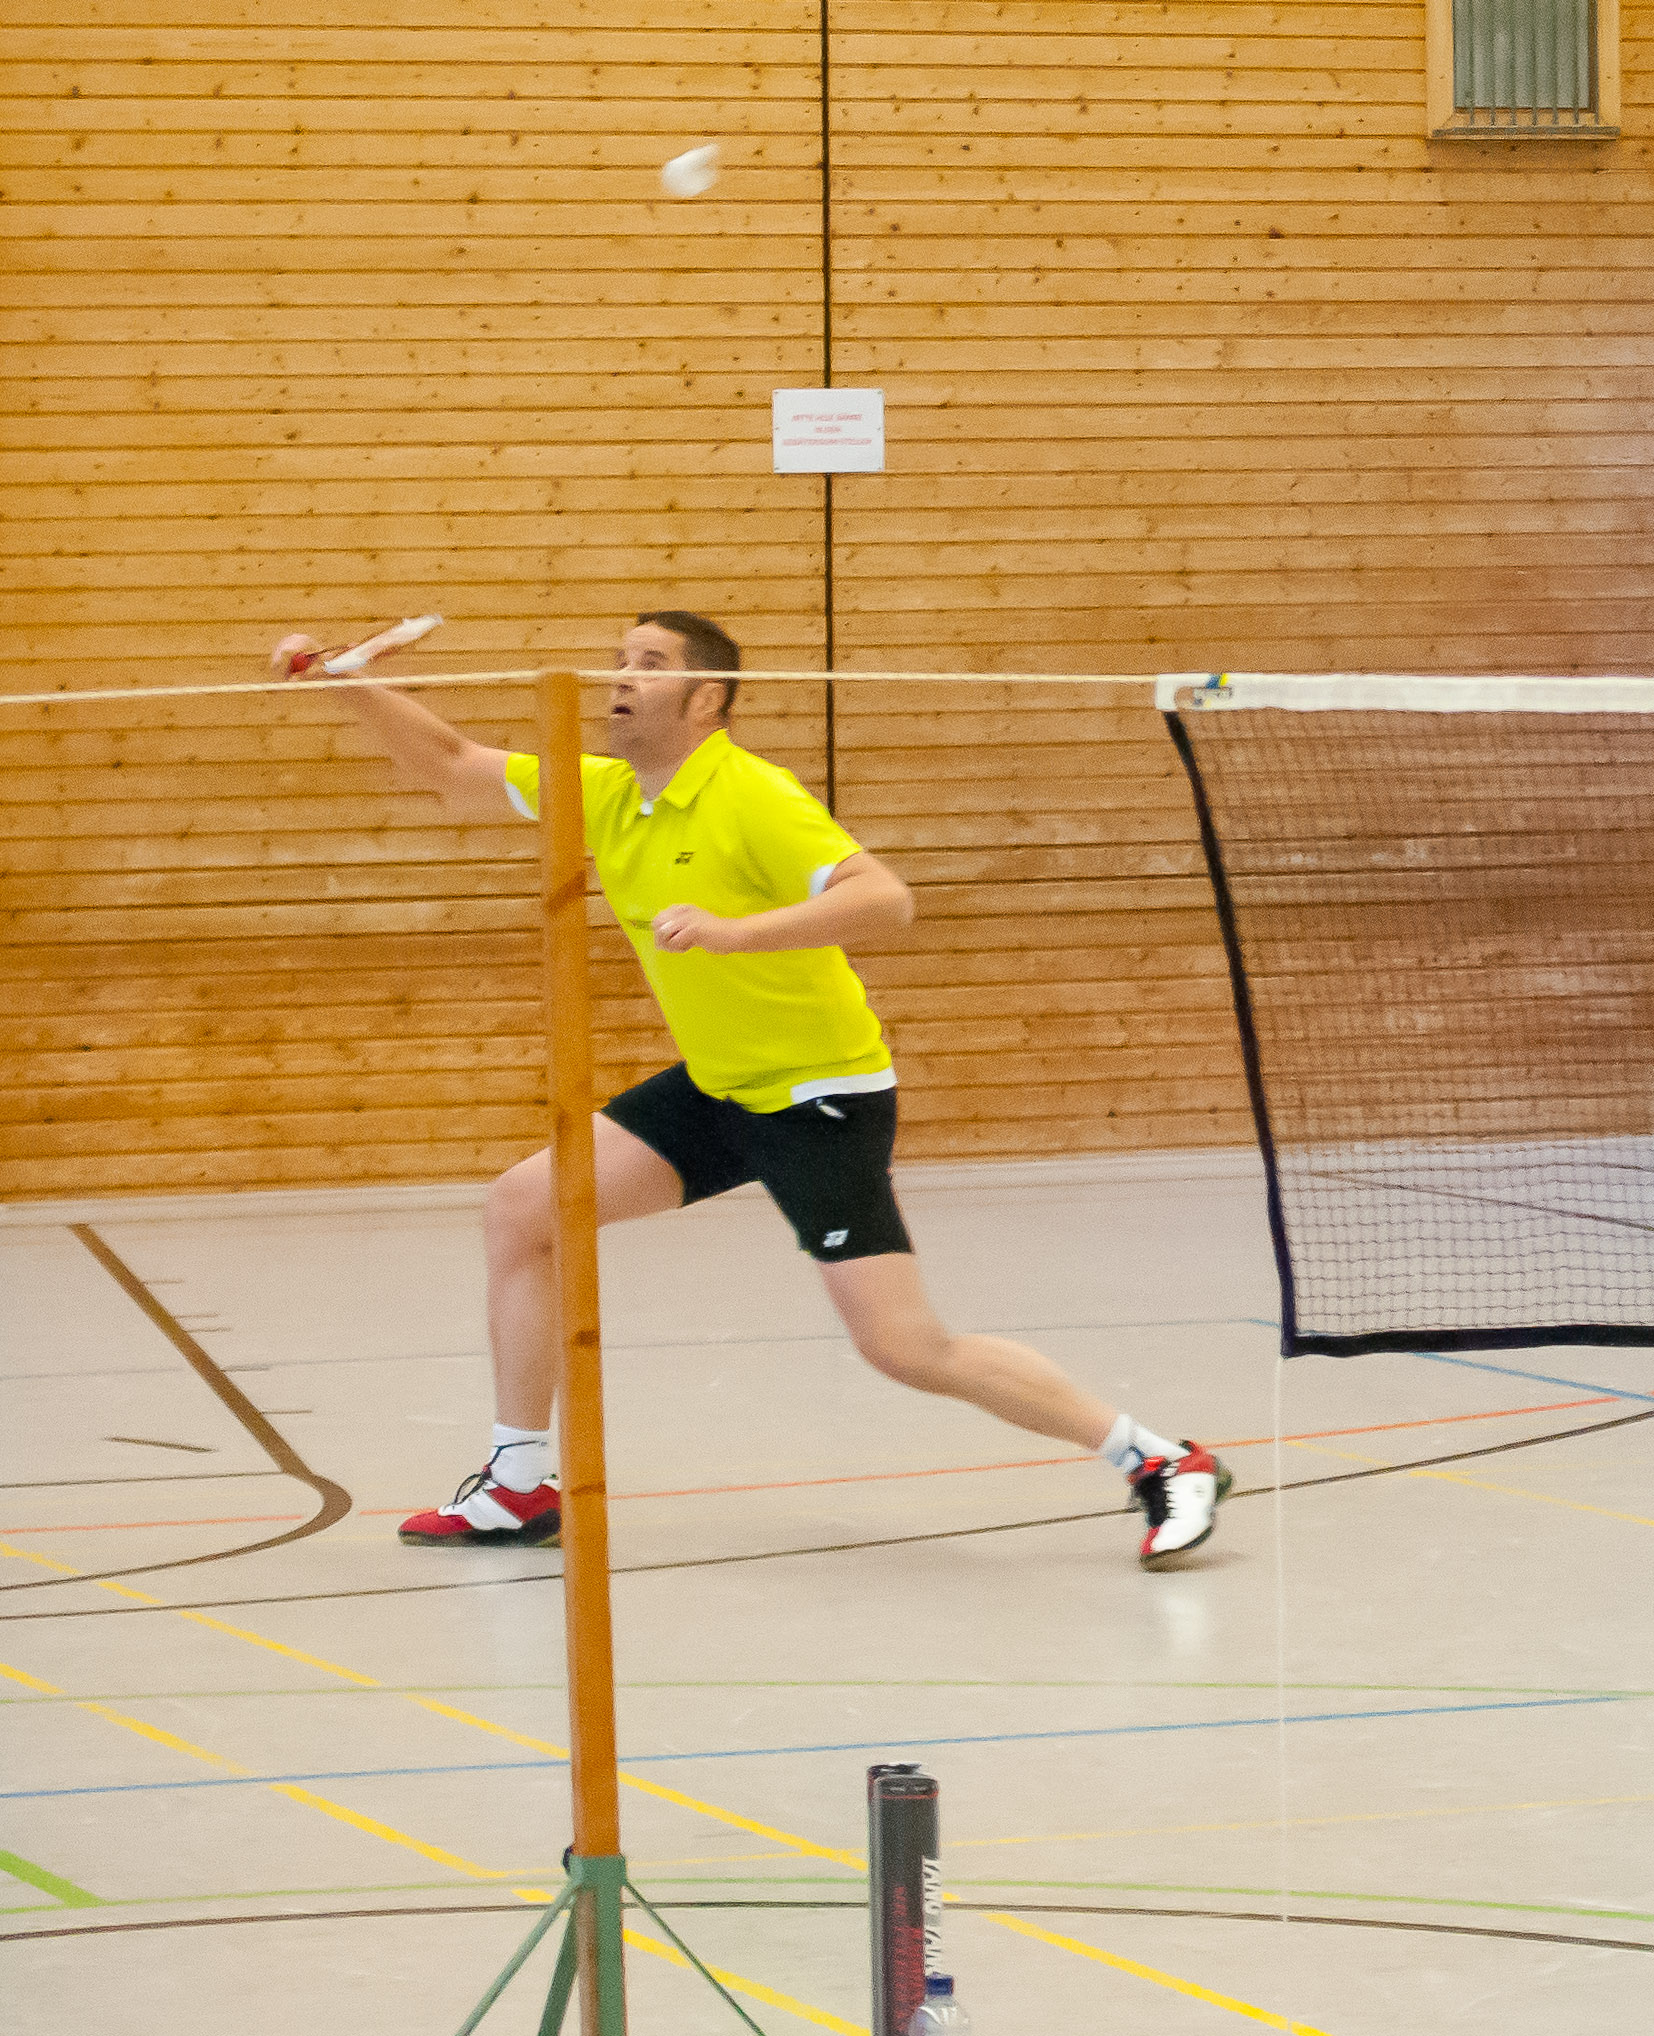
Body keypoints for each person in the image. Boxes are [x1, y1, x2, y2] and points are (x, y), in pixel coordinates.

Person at [273, 612, 1230, 1567]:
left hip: (818, 1098)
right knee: (525, 1208)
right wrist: (344, 681)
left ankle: (1160, 1460)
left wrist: (736, 934)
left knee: (904, 1346)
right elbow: (451, 765)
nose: (621, 678)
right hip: (721, 1086)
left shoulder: (753, 795)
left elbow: (884, 900)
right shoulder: (607, 793)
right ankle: (518, 1483)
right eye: (619, 661)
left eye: (650, 665)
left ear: (707, 699)